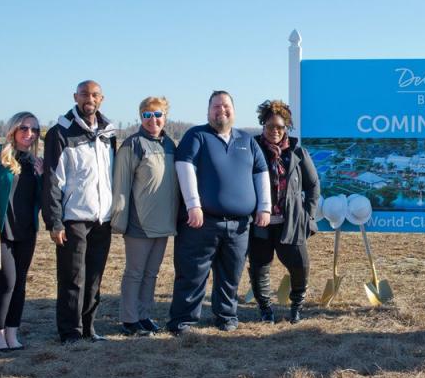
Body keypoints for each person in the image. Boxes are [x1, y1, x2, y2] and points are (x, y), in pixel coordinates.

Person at [168, 90, 270, 334]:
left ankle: (226, 316)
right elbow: (184, 168)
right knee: (192, 273)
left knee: (231, 275)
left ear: (233, 110)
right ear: (208, 111)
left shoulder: (247, 140)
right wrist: (193, 204)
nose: (220, 110)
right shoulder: (197, 136)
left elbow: (261, 173)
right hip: (201, 222)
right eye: (216, 106)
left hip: (239, 225)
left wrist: (264, 207)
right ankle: (184, 320)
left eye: (225, 106)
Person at [42, 80, 117, 344]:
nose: (90, 99)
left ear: (102, 99)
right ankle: (70, 331)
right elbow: (52, 180)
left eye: (95, 95)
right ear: (75, 96)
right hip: (73, 218)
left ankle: (89, 327)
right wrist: (55, 222)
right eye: (84, 94)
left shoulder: (109, 133)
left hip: (101, 219)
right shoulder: (60, 133)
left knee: (94, 277)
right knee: (73, 278)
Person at [111, 96, 180, 336]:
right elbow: (121, 185)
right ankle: (129, 319)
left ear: (165, 116)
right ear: (141, 117)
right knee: (135, 272)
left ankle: (144, 314)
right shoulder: (133, 145)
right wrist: (119, 219)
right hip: (139, 222)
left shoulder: (170, 144)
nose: (153, 120)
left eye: (157, 114)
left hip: (164, 222)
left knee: (152, 273)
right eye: (147, 115)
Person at [248, 99, 320, 324]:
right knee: (260, 267)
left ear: (286, 127)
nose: (275, 131)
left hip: (290, 222)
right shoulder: (252, 149)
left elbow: (313, 186)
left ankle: (296, 306)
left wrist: (307, 215)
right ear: (263, 126)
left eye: (280, 127)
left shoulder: (298, 153)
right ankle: (265, 309)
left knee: (301, 265)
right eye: (270, 126)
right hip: (260, 221)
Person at [0, 112, 43, 351]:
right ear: (14, 129)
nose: (30, 134)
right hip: (2, 231)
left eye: (35, 130)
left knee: (20, 284)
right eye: (25, 128)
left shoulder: (35, 163)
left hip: (27, 231)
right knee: (6, 283)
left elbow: (40, 199)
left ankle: (12, 333)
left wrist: (43, 176)